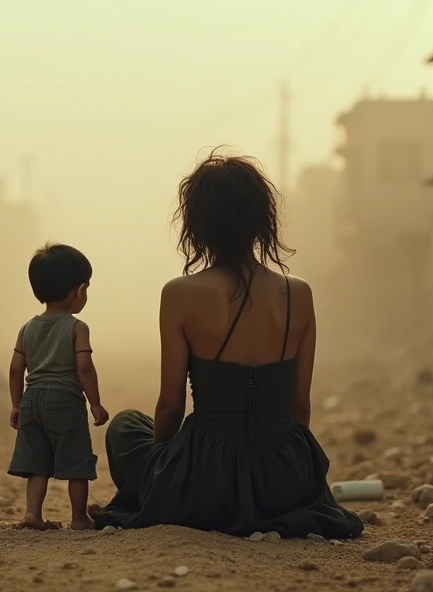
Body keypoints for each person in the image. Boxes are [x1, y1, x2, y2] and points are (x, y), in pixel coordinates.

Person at [92, 152, 364, 539]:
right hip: (284, 479)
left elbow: (170, 407)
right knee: (139, 427)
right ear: (260, 219)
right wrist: (279, 470)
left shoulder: (179, 294)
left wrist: (166, 473)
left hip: (205, 479)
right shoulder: (298, 294)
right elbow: (299, 407)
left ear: (197, 224)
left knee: (125, 427)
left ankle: (173, 493)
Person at [7, 242, 110, 531]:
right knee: (76, 459)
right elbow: (84, 367)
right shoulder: (77, 327)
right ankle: (79, 518)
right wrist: (95, 402)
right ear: (78, 291)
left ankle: (32, 514)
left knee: (37, 461)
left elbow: (16, 369)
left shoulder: (27, 328)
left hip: (31, 400)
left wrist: (16, 404)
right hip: (64, 400)